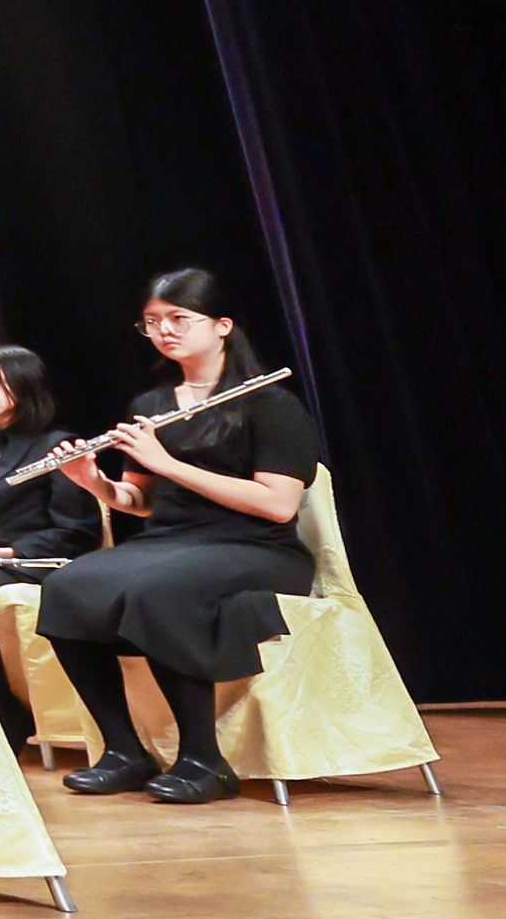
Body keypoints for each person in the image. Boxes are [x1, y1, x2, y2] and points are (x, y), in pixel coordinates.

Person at [36, 269, 323, 804]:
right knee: (66, 585)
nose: (164, 331)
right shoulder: (151, 405)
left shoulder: (270, 404)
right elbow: (140, 501)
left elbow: (278, 504)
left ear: (222, 325)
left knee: (159, 591)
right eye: (152, 322)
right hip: (170, 544)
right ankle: (124, 751)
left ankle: (203, 761)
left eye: (178, 318)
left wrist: (167, 462)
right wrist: (93, 482)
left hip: (255, 546)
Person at [0, 345, 99, 747]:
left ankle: (3, 714)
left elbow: (77, 530)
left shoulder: (58, 444)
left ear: (25, 383)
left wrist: (6, 552)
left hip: (36, 559)